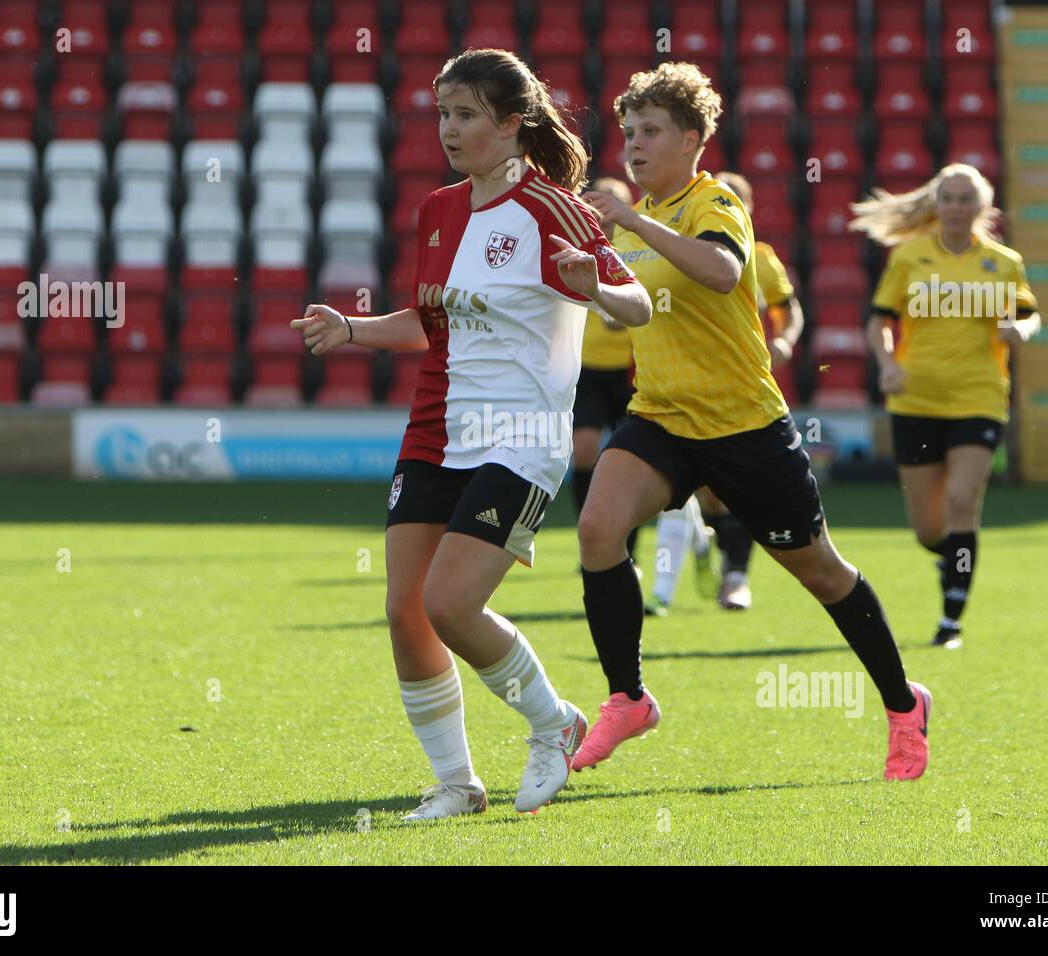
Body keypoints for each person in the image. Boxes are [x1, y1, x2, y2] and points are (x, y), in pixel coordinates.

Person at [294, 49, 651, 819]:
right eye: (442, 115)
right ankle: (456, 782)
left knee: (452, 605)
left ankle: (553, 724)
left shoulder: (555, 210)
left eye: (465, 115)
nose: (448, 130)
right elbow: (427, 326)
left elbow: (640, 306)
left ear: (511, 124)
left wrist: (600, 289)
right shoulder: (438, 210)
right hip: (435, 428)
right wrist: (351, 328)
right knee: (405, 611)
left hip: (520, 436)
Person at [573, 61, 931, 781]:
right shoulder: (637, 225)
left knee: (822, 575)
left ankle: (903, 705)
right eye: (628, 133)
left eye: (651, 132)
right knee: (597, 531)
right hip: (663, 416)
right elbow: (640, 311)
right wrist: (592, 286)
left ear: (694, 140)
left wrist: (631, 223)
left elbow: (721, 273)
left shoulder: (714, 205)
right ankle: (628, 698)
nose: (634, 147)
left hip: (743, 427)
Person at [854, 163, 1040, 648]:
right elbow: (879, 321)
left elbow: (1028, 313)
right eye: (949, 198)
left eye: (965, 199)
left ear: (982, 206)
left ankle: (951, 619)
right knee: (927, 528)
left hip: (978, 397)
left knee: (962, 502)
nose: (956, 207)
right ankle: (951, 554)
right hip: (916, 400)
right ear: (937, 204)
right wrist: (887, 364)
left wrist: (1021, 330)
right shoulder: (910, 257)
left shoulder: (1003, 262)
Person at [647, 170, 808, 614]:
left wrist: (786, 339)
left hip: (741, 385)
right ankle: (703, 542)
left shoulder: (761, 258)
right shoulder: (676, 250)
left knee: (739, 488)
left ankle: (736, 575)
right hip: (683, 386)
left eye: (739, 198)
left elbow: (788, 309)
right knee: (705, 491)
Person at [570, 177, 644, 571]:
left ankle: (627, 548)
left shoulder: (639, 253)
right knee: (584, 452)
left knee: (630, 463)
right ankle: (592, 537)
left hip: (632, 374)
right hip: (587, 372)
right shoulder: (576, 248)